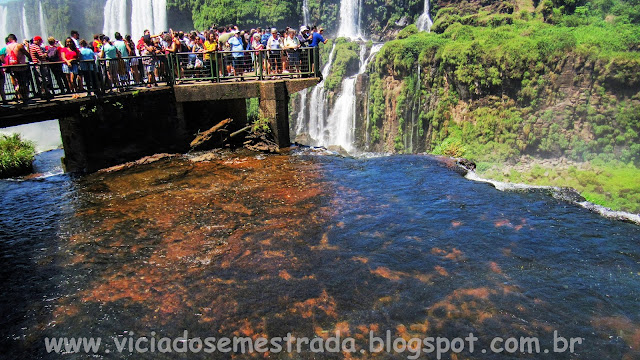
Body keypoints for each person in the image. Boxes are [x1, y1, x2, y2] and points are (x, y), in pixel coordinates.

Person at [5, 34, 32, 103]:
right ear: (15, 38)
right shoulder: (19, 45)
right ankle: (25, 98)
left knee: (18, 83)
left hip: (13, 68)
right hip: (21, 67)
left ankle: (19, 97)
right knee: (23, 83)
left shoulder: (7, 47)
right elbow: (27, 54)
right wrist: (28, 47)